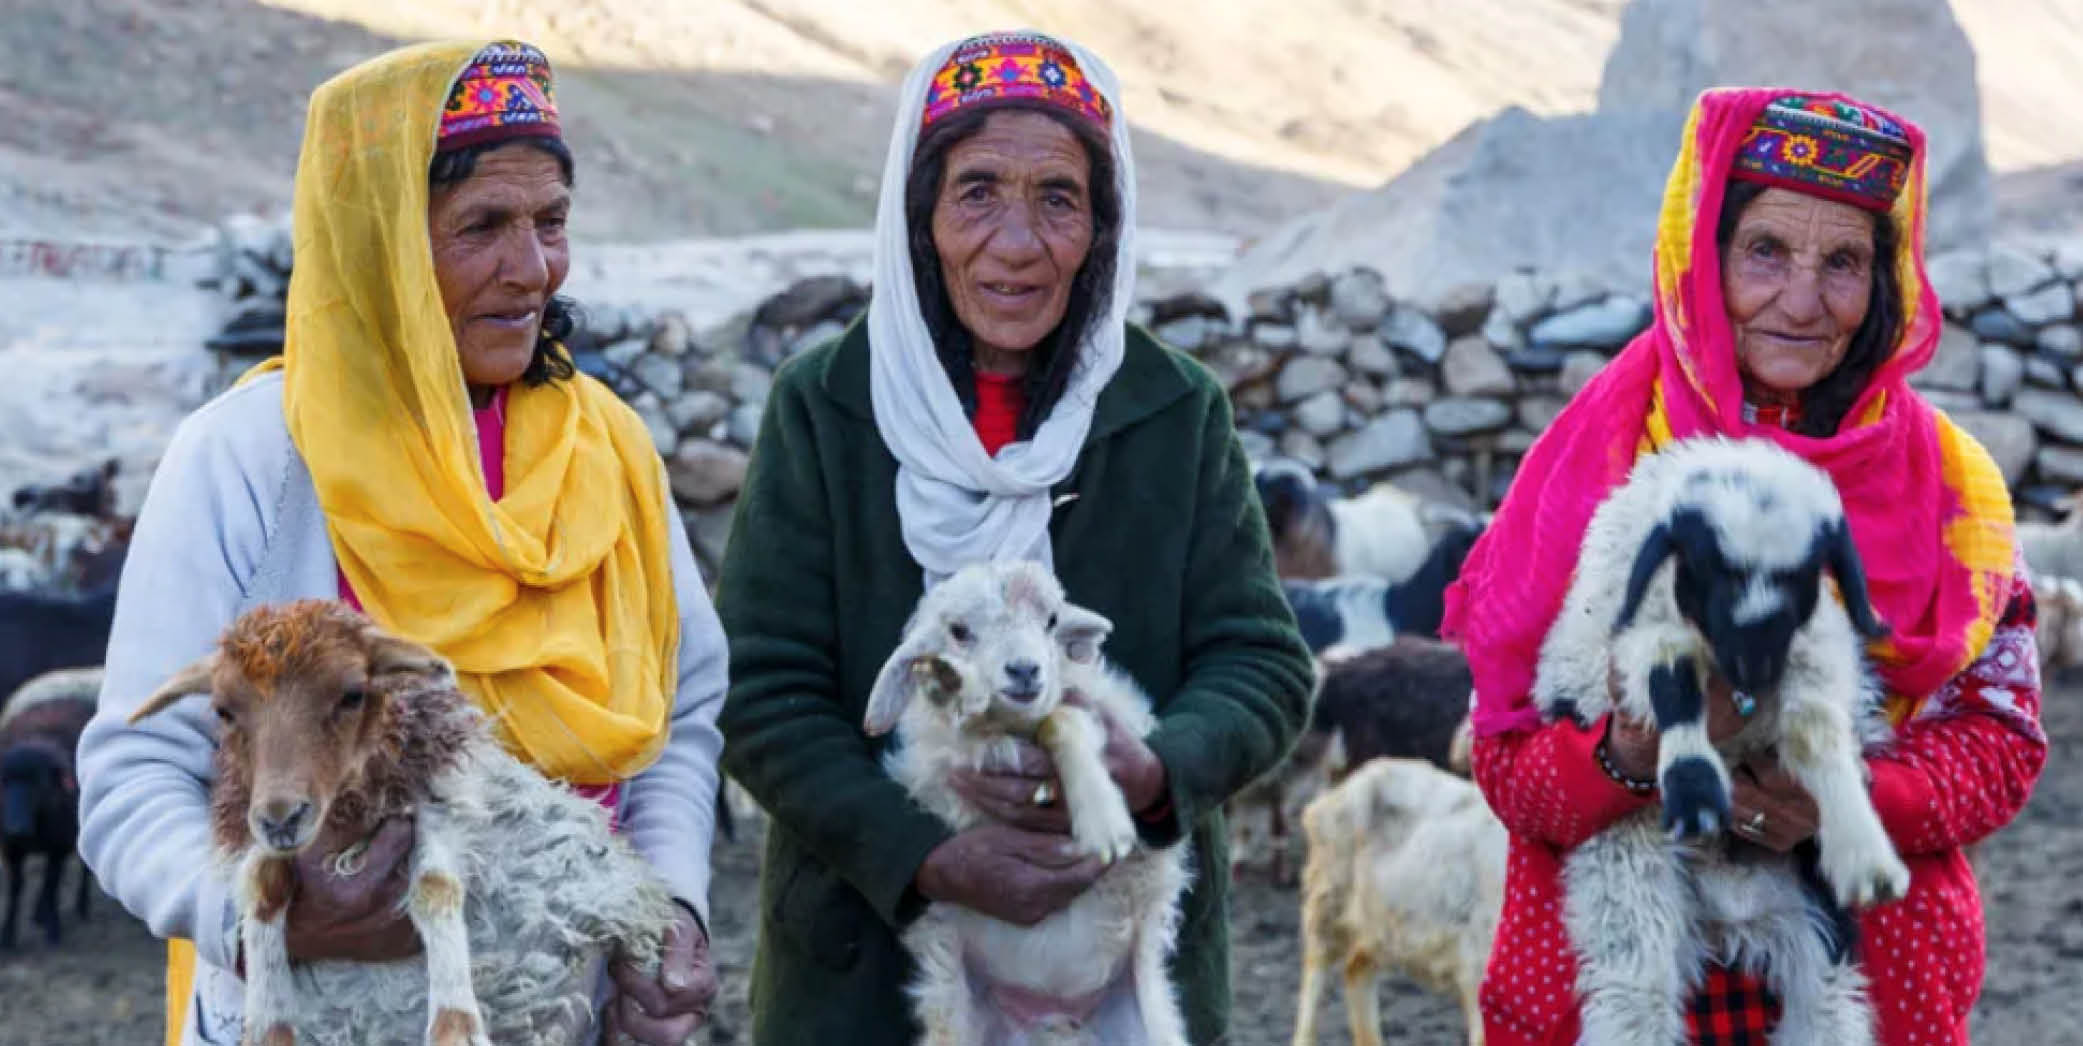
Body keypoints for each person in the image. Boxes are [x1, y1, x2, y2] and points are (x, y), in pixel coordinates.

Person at [75, 41, 726, 1046]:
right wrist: (272, 914)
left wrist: (669, 908)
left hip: (566, 1013)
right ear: (380, 242)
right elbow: (132, 777)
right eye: (482, 228)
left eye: (550, 221)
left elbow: (678, 719)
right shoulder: (251, 457)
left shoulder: (610, 447)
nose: (533, 269)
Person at [714, 29, 1314, 1045]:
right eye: (978, 190)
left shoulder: (1173, 411)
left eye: (1059, 198)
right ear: (920, 217)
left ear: (1103, 227)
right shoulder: (824, 407)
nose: (1018, 242)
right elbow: (759, 687)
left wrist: (1150, 768)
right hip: (868, 980)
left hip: (1122, 974)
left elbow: (1259, 660)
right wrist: (927, 853)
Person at [1444, 89, 2048, 1046]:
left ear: (1885, 280)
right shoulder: (1590, 465)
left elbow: (2001, 740)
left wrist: (1842, 804)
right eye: (1766, 250)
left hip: (1865, 975)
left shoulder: (1952, 488)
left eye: (1843, 261)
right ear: (1702, 253)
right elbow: (1507, 760)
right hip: (1614, 975)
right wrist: (1628, 756)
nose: (1802, 301)